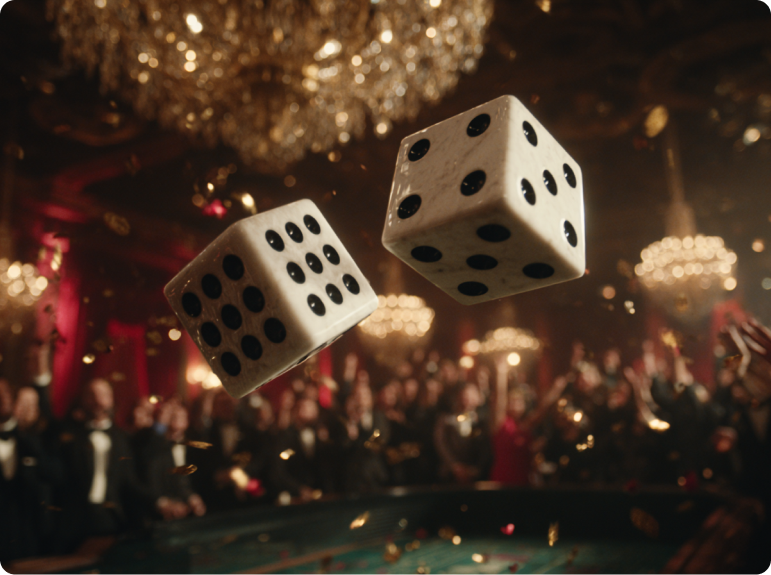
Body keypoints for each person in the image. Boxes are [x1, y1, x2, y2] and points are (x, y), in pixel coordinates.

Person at [54, 378, 156, 552]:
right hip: (76, 521)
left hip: (113, 518)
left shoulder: (122, 438)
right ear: (82, 400)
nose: (98, 400)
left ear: (111, 399)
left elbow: (130, 481)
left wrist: (158, 501)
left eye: (103, 394)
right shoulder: (70, 435)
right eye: (91, 395)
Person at [0, 378, 60, 561]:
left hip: (30, 536)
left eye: (5, 393)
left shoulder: (35, 438)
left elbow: (57, 476)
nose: (2, 398)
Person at [139, 403, 206, 521]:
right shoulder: (155, 448)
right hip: (165, 515)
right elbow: (151, 480)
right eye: (173, 416)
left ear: (187, 420)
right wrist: (166, 503)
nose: (177, 419)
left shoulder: (194, 447)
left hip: (195, 513)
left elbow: (196, 479)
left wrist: (192, 497)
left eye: (181, 416)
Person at [270, 395, 335, 501]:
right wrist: (298, 490)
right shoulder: (285, 436)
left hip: (321, 496)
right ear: (296, 411)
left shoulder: (322, 435)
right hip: (294, 496)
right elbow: (278, 471)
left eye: (312, 407)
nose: (309, 411)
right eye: (304, 407)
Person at [434, 383, 491, 485]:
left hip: (476, 475)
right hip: (450, 475)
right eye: (465, 394)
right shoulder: (445, 420)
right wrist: (454, 466)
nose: (467, 398)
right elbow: (441, 443)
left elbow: (486, 448)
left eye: (471, 394)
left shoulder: (483, 422)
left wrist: (476, 469)